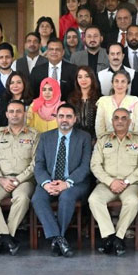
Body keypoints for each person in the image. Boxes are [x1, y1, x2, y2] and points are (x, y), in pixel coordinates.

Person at [31, 104, 92, 258]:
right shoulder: (45, 137)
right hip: (50, 181)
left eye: (69, 116)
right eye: (61, 116)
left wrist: (67, 183)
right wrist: (46, 183)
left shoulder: (84, 137)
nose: (65, 120)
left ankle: (57, 238)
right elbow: (39, 164)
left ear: (75, 119)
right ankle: (60, 239)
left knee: (66, 197)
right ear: (56, 118)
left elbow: (85, 166)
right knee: (37, 198)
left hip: (75, 183)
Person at [0, 100, 39, 256]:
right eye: (11, 111)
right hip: (1, 179)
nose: (15, 114)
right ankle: (7, 237)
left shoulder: (34, 135)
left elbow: (35, 163)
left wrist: (18, 179)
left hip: (24, 180)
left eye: (18, 111)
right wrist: (0, 179)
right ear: (6, 114)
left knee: (22, 198)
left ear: (25, 114)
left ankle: (5, 237)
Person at [90, 108, 138, 255]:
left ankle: (118, 236)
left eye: (124, 118)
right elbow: (95, 165)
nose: (120, 121)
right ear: (112, 121)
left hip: (130, 184)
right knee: (94, 199)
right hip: (106, 184)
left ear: (129, 122)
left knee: (133, 202)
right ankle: (110, 235)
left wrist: (127, 181)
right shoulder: (103, 140)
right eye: (116, 118)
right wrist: (110, 182)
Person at [95, 71, 138, 136]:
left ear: (128, 84)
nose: (119, 85)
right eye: (116, 81)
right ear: (112, 83)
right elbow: (99, 128)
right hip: (107, 143)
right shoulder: (103, 101)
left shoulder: (135, 101)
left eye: (123, 81)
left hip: (130, 143)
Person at [68, 66, 101, 140]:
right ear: (76, 80)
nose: (83, 80)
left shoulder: (100, 98)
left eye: (87, 76)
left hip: (95, 139)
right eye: (80, 77)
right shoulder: (71, 98)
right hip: (75, 138)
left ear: (92, 78)